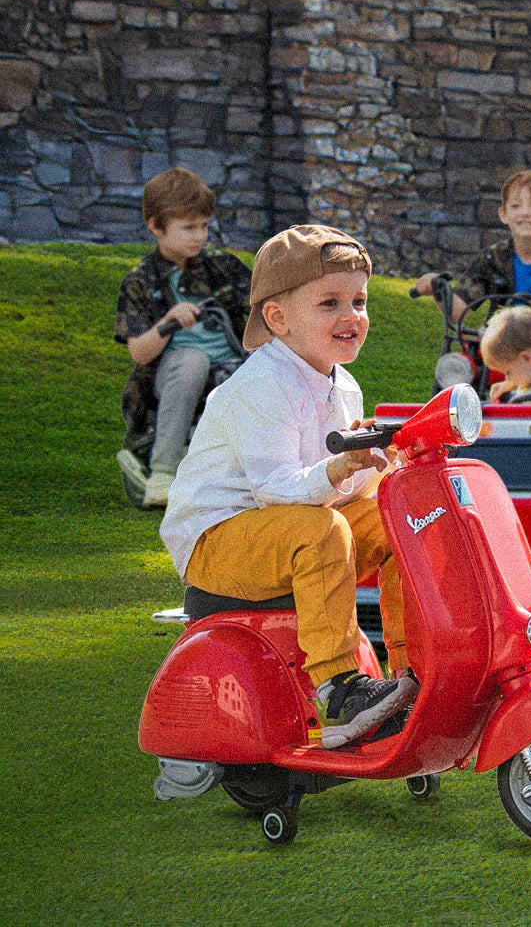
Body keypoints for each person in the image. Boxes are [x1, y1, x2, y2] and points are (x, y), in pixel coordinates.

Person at [160, 226, 415, 749]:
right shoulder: (263, 385)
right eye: (329, 303)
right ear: (278, 319)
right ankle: (341, 688)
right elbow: (277, 488)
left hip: (284, 527)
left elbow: (339, 489)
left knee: (404, 519)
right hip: (218, 541)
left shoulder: (342, 383)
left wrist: (380, 466)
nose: (352, 316)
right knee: (319, 529)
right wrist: (340, 472)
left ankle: (414, 669)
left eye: (359, 301)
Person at [114, 167, 253, 508]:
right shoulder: (140, 281)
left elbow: (267, 308)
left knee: (255, 370)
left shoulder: (224, 267)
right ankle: (163, 473)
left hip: (232, 364)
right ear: (156, 227)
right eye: (189, 227)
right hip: (172, 375)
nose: (199, 236)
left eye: (204, 226)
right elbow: (140, 354)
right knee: (193, 360)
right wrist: (168, 322)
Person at [415, 169, 531, 393]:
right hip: (504, 348)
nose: (525, 213)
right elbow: (457, 312)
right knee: (460, 377)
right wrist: (437, 288)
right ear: (503, 214)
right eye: (516, 206)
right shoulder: (492, 258)